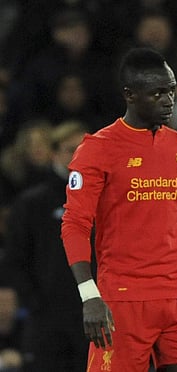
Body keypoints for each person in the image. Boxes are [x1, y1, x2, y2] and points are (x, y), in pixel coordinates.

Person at [61, 47, 177, 372]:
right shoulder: (98, 149)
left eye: (171, 90)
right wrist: (89, 294)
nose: (168, 100)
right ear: (130, 95)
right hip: (123, 298)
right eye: (157, 93)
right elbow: (75, 224)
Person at [0, 121, 89, 371]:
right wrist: (36, 302)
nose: (78, 156)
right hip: (48, 321)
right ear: (54, 153)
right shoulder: (32, 203)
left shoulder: (106, 198)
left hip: (94, 315)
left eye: (83, 148)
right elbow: (15, 258)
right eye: (71, 149)